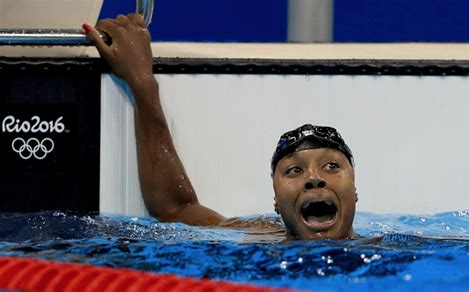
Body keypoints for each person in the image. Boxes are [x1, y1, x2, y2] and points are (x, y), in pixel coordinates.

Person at [82, 14, 358, 240]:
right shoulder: (262, 234)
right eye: (294, 170)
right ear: (276, 200)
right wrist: (142, 84)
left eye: (332, 166)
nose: (314, 178)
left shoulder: (392, 250)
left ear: (355, 190)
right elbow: (176, 208)